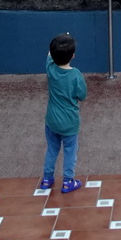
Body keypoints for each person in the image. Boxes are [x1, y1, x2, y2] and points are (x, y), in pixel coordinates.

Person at [40, 33, 87, 194]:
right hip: (70, 123)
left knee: (52, 149)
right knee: (70, 151)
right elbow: (82, 95)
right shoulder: (76, 75)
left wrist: (59, 39)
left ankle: (47, 179)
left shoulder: (50, 68)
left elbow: (49, 54)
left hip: (51, 120)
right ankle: (67, 181)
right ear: (73, 55)